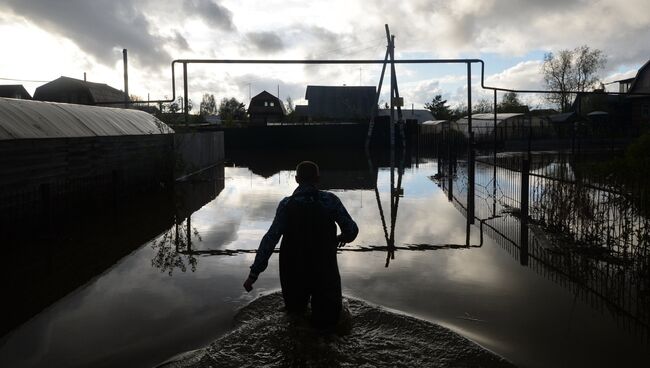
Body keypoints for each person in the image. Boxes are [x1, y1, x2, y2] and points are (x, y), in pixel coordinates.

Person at [243, 160, 358, 330]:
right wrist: (339, 238)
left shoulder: (286, 205)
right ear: (318, 179)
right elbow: (352, 230)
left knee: (295, 320)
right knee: (329, 325)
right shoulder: (330, 201)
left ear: (296, 179)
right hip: (324, 270)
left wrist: (254, 273)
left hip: (293, 271)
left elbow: (270, 239)